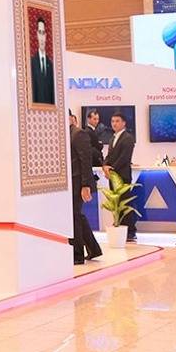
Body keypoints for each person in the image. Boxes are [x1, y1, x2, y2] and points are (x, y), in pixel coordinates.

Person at [69, 111, 102, 264]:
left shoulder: (78, 134)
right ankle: (94, 249)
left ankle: (77, 255)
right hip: (70, 183)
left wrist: (85, 185)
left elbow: (86, 161)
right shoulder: (65, 134)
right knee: (76, 215)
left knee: (74, 216)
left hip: (78, 182)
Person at [101, 112, 136, 242]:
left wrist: (112, 169)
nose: (114, 124)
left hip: (123, 177)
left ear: (124, 123)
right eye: (112, 121)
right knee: (116, 204)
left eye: (117, 121)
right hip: (113, 177)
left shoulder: (128, 138)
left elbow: (124, 158)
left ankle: (130, 231)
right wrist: (105, 166)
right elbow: (109, 156)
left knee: (125, 203)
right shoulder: (112, 138)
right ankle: (120, 227)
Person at [30, 17, 55, 105]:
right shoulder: (32, 63)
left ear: (46, 36)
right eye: (40, 33)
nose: (41, 38)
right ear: (37, 35)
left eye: (43, 33)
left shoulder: (51, 65)